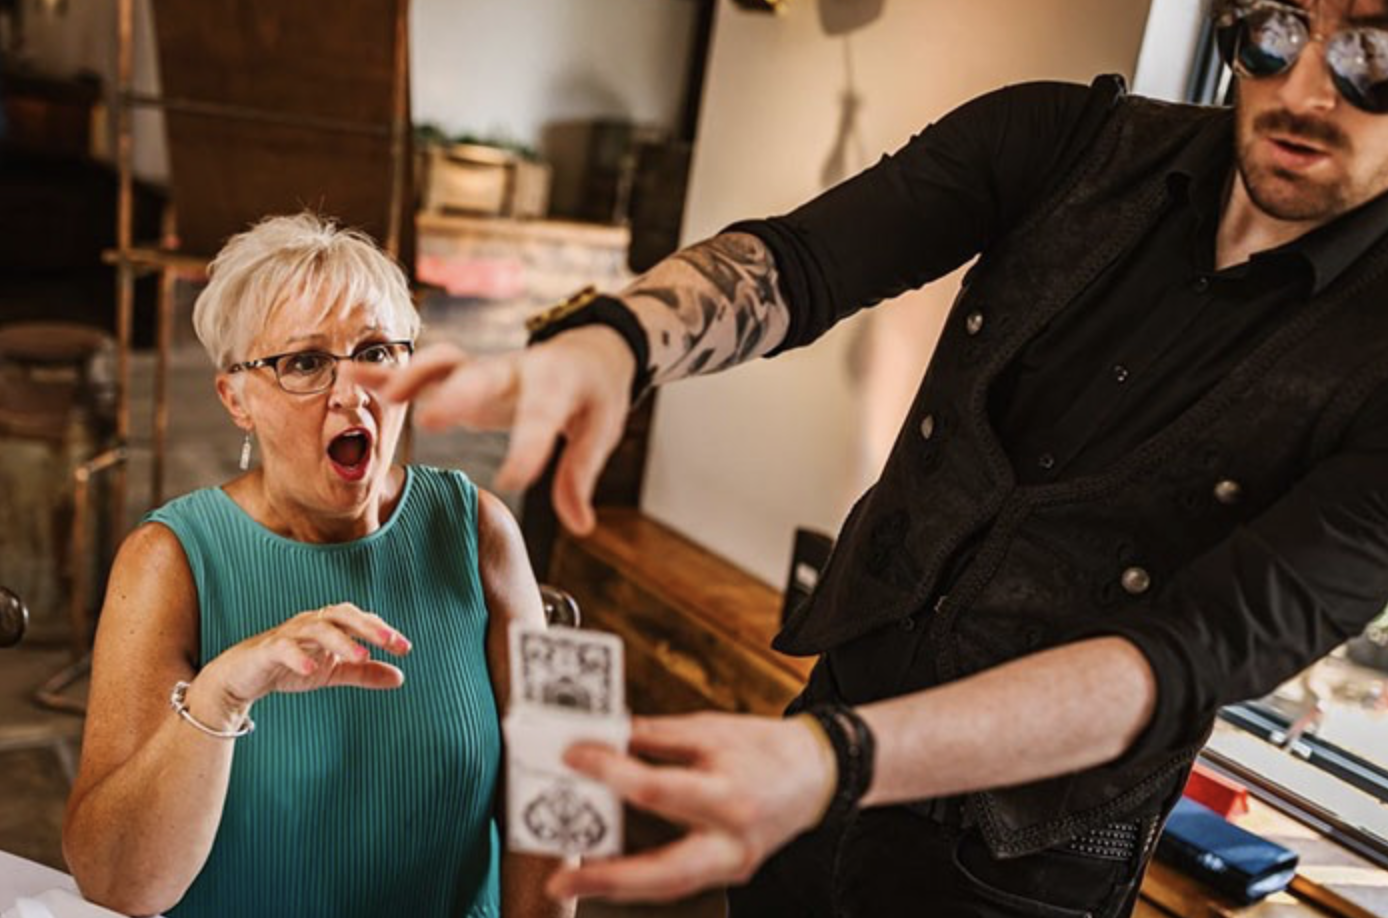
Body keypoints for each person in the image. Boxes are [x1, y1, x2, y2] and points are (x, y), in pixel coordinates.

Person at [358, 0, 1388, 914]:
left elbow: (1178, 661)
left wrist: (834, 763)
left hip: (1022, 866)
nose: (1303, 89)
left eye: (1372, 51)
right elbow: (801, 264)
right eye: (1279, 30)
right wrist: (612, 342)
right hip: (824, 734)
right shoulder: (1066, 140)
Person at [62, 214, 571, 918]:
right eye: (303, 363)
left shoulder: (482, 528)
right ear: (236, 398)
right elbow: (115, 883)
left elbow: (560, 792)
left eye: (375, 352)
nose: (349, 392)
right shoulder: (167, 560)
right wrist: (218, 697)